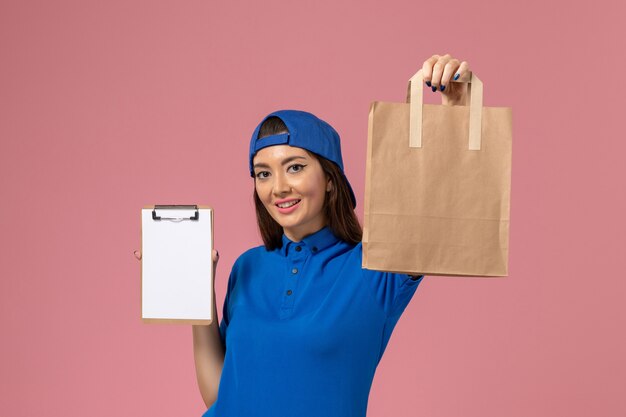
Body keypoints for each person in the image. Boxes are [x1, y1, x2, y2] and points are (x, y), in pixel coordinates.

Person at [134, 54, 471, 417]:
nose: (278, 187)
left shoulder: (376, 266)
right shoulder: (247, 267)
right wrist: (197, 298)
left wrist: (455, 109)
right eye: (263, 174)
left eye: (294, 167)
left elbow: (440, 205)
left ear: (329, 178)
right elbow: (221, 395)